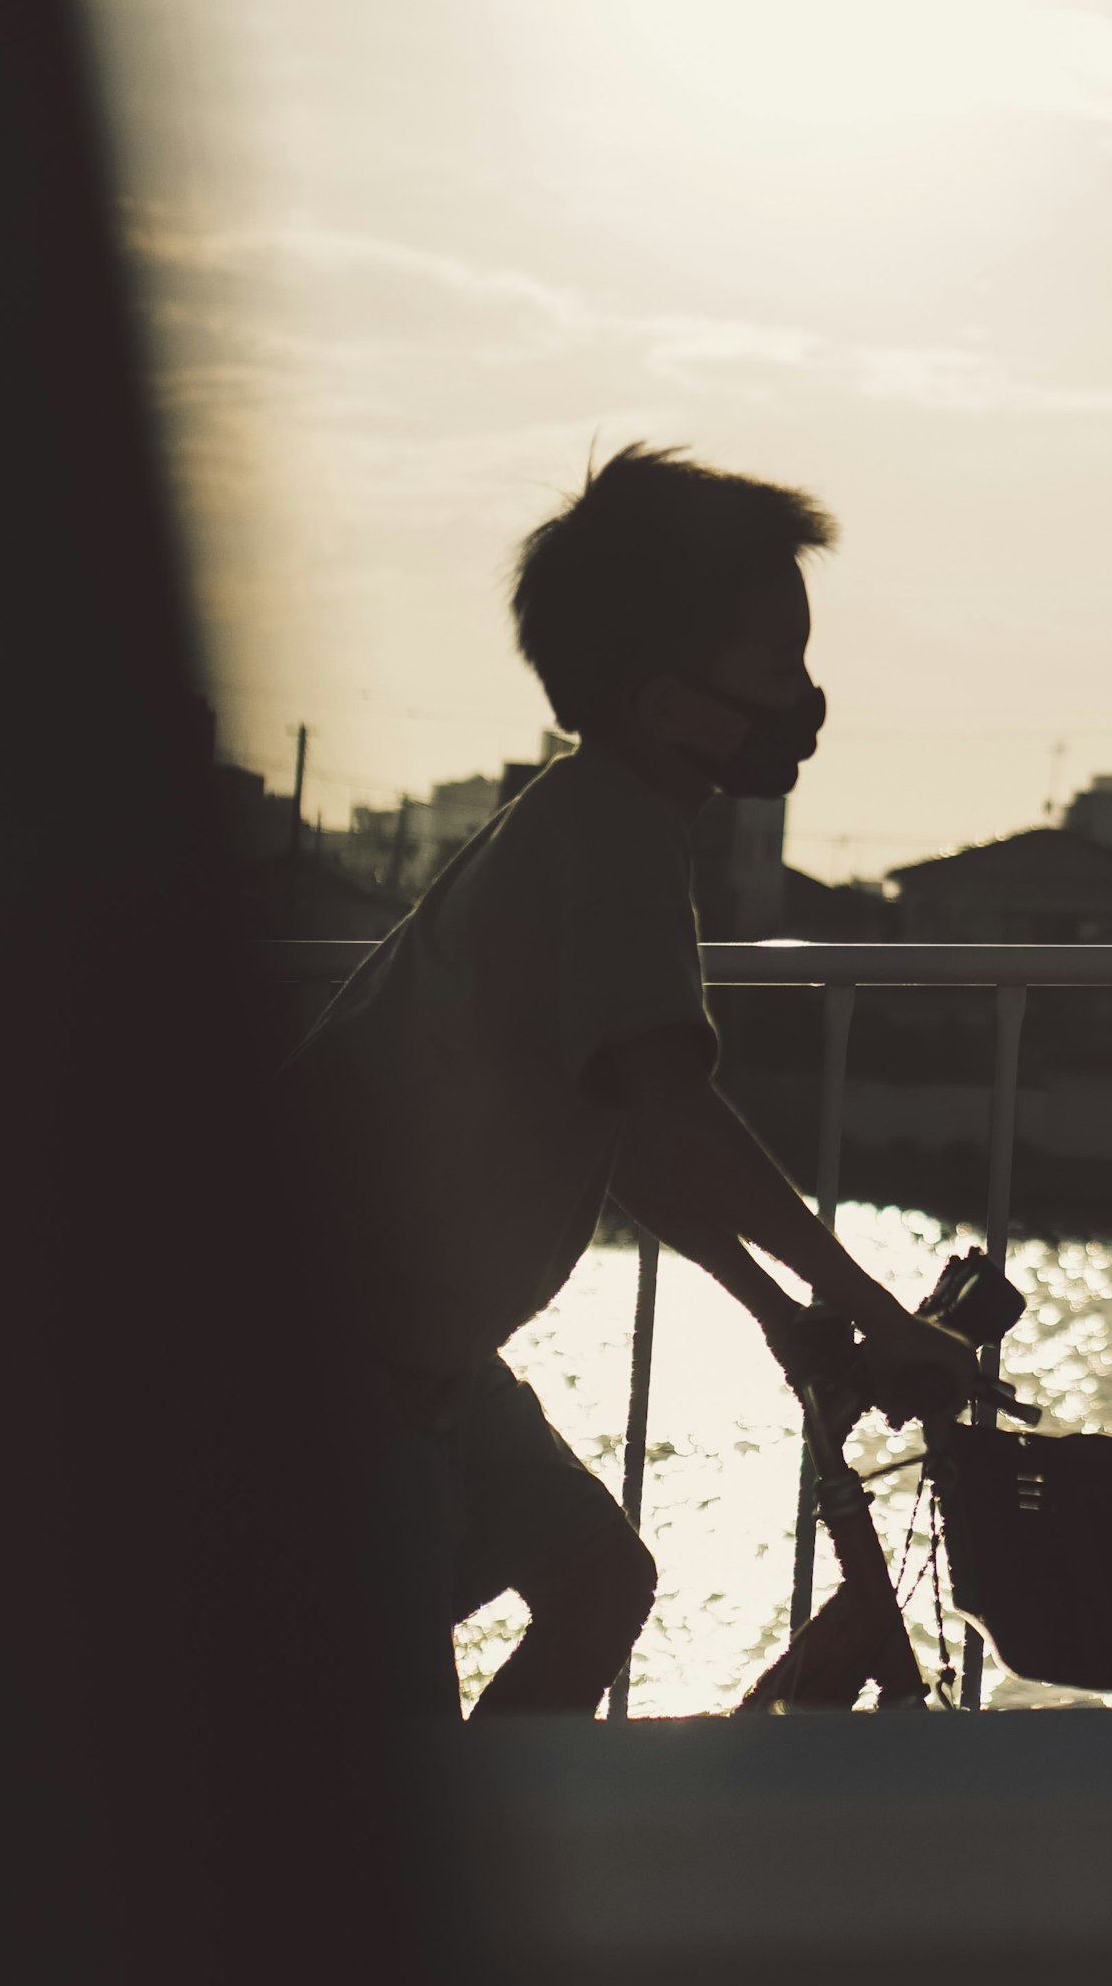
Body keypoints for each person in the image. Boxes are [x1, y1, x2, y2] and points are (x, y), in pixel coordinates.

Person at [291, 444, 973, 1717]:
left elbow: (643, 1151)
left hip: (412, 1356)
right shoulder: (608, 836)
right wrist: (877, 1309)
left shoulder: (592, 817)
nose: (808, 702)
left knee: (600, 1579)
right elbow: (677, 1112)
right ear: (667, 703)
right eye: (780, 672)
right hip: (333, 1367)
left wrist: (778, 1313)